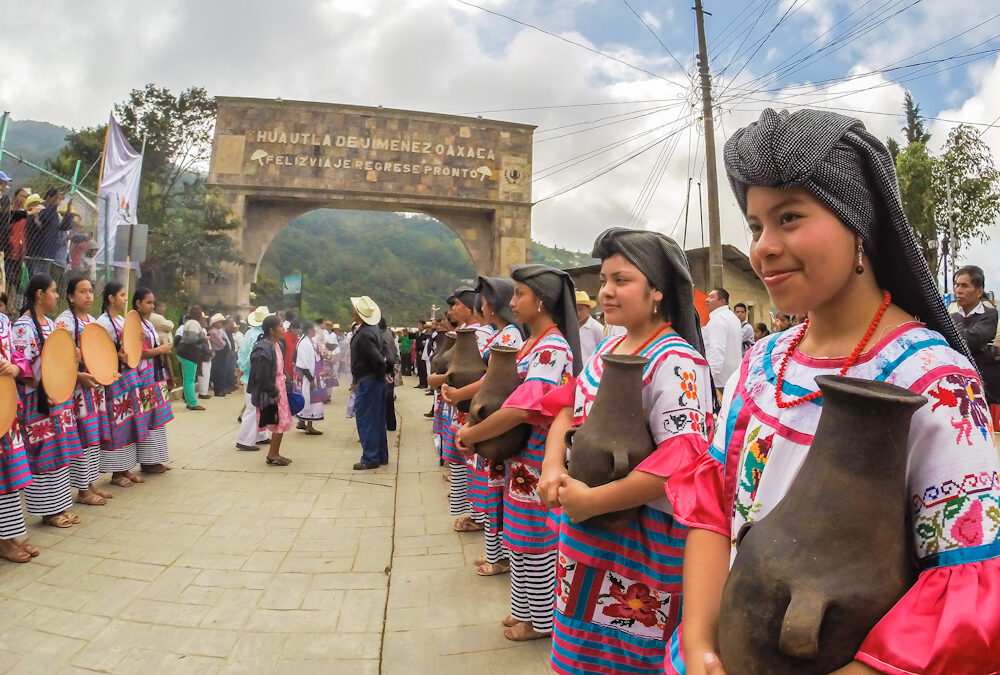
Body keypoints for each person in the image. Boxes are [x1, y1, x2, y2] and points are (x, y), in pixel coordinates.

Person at [666, 108, 1000, 675]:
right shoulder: (764, 361)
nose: (763, 247)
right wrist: (700, 644)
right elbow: (713, 510)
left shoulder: (932, 381)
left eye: (789, 216)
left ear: (859, 225)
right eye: (755, 225)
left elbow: (962, 583)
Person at [539, 227, 714, 674]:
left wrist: (595, 499)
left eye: (622, 280)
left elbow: (682, 461)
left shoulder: (676, 362)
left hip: (639, 540)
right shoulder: (611, 348)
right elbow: (567, 407)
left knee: (626, 655)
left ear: (657, 290)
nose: (607, 292)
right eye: (604, 280)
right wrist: (552, 465)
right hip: (585, 531)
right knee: (580, 646)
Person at [456, 264, 580, 642]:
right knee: (519, 536)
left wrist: (474, 432)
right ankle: (523, 610)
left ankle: (541, 623)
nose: (512, 303)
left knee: (535, 540)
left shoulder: (552, 349)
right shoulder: (531, 344)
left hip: (537, 456)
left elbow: (522, 408)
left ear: (541, 300)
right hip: (519, 457)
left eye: (519, 294)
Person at [442, 275, 523, 577]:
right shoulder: (502, 334)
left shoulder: (509, 336)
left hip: (494, 421)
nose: (482, 306)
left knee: (495, 490)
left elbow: (491, 379)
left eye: (486, 300)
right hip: (485, 417)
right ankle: (495, 551)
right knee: (490, 489)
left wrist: (460, 393)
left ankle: (498, 555)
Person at [12, 274, 85, 527]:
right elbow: (23, 371)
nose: (56, 295)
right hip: (38, 401)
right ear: (40, 294)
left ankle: (60, 506)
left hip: (56, 398)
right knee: (43, 454)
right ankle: (48, 511)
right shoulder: (23, 327)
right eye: (53, 291)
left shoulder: (52, 325)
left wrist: (73, 357)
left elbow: (58, 360)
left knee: (59, 451)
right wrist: (46, 389)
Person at [55, 276, 111, 506]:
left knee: (92, 436)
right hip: (75, 390)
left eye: (90, 291)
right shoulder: (64, 323)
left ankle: (89, 483)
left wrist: (107, 372)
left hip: (93, 390)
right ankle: (82, 490)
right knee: (81, 438)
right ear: (70, 296)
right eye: (82, 291)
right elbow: (57, 359)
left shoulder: (91, 321)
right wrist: (79, 376)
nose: (88, 296)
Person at [97, 280, 148, 487]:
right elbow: (100, 352)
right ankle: (116, 473)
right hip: (115, 380)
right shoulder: (103, 323)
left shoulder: (121, 320)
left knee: (129, 424)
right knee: (117, 424)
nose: (125, 299)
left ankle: (126, 468)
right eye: (122, 295)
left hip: (130, 378)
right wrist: (117, 356)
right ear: (111, 298)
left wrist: (138, 339)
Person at [0, 302, 37, 562]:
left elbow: (18, 358)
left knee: (10, 475)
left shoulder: (3, 321)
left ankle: (10, 534)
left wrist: (15, 368)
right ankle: (3, 542)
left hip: (6, 405)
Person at [132, 288, 175, 473]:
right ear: (138, 304)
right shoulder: (135, 325)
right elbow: (140, 352)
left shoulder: (148, 323)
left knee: (158, 418)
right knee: (149, 418)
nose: (151, 306)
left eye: (152, 302)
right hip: (145, 376)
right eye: (148, 302)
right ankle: (148, 461)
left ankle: (157, 458)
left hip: (156, 375)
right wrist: (161, 350)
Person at [951, 265, 1000, 404]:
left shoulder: (989, 315)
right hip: (959, 386)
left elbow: (970, 341)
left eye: (964, 286)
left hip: (987, 390)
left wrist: (952, 332)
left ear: (979, 291)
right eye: (957, 285)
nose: (958, 290)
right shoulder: (952, 317)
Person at [351, 296, 389, 470]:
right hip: (374, 381)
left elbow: (378, 360)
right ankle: (380, 455)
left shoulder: (365, 334)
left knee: (366, 419)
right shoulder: (372, 330)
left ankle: (370, 457)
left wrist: (381, 374)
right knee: (377, 419)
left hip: (369, 381)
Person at [248, 314, 292, 466]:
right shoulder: (263, 348)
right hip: (272, 390)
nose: (283, 329)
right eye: (280, 326)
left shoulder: (278, 344)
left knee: (281, 422)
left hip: (279, 387)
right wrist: (273, 392)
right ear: (272, 330)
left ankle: (275, 453)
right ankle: (273, 454)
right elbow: (261, 375)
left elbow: (280, 368)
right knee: (277, 422)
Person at [235, 306, 271, 451]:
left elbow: (242, 354)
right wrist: (244, 369)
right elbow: (251, 356)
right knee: (252, 408)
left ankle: (260, 435)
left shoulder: (250, 333)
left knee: (259, 406)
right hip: (254, 375)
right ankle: (244, 440)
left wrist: (241, 368)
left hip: (250, 375)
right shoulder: (260, 336)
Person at [702, 288, 742, 394]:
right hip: (733, 377)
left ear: (722, 301)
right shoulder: (732, 317)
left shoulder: (718, 319)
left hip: (720, 380)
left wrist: (710, 378)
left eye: (711, 297)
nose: (706, 300)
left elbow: (716, 350)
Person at [294, 320, 324, 435]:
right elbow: (303, 363)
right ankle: (309, 425)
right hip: (309, 376)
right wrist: (311, 379)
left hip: (312, 374)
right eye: (314, 328)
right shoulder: (304, 343)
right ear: (310, 330)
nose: (315, 330)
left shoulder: (308, 341)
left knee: (308, 399)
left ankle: (302, 422)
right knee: (312, 400)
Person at [176, 306, 209, 410]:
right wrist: (204, 338)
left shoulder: (189, 322)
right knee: (189, 380)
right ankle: (192, 403)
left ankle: (189, 400)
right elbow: (192, 338)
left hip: (184, 353)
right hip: (188, 353)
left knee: (187, 379)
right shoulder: (194, 323)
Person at [380, 317, 400, 432]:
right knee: (389, 399)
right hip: (390, 368)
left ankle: (384, 424)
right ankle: (391, 424)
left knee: (384, 399)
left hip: (385, 369)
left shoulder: (381, 336)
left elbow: (386, 355)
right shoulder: (388, 333)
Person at [575, 290, 604, 363]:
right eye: (574, 309)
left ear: (588, 309)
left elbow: (602, 352)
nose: (577, 313)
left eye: (580, 309)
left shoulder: (597, 328)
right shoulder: (571, 328)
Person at [208, 313, 231, 396]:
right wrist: (224, 341)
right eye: (220, 322)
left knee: (221, 372)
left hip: (220, 353)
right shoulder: (213, 332)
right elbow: (222, 344)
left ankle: (221, 389)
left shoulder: (217, 331)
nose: (221, 324)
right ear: (216, 323)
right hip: (218, 353)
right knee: (218, 372)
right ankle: (218, 390)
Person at [414, 320, 430, 388]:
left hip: (423, 352)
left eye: (420, 325)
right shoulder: (418, 334)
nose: (418, 327)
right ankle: (421, 382)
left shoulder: (426, 334)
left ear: (424, 326)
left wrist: (422, 351)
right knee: (419, 368)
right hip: (417, 352)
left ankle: (425, 383)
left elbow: (425, 344)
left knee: (423, 368)